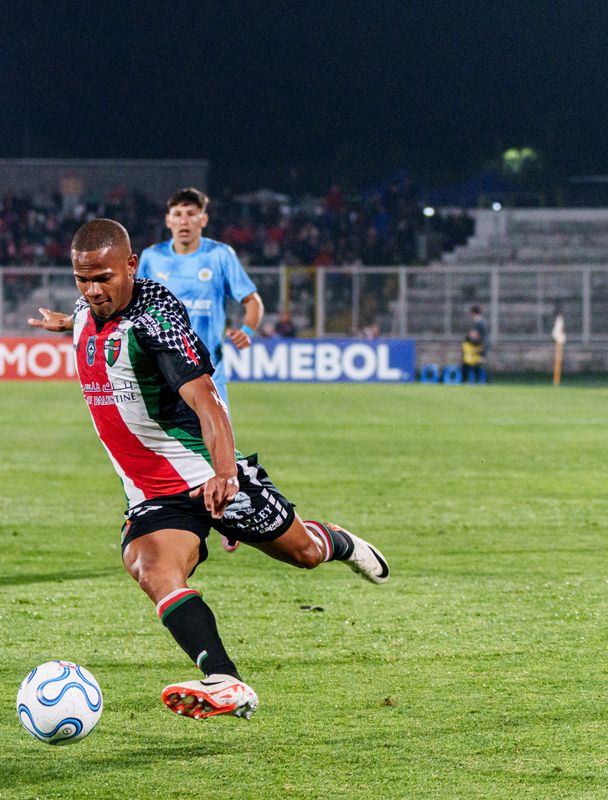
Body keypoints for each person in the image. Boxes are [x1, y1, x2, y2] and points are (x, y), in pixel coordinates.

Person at [28, 219, 389, 721]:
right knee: (152, 568)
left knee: (304, 554)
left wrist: (224, 475)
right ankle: (226, 679)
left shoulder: (154, 318)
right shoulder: (89, 309)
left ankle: (340, 542)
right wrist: (65, 323)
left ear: (131, 266)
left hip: (206, 475)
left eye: (103, 279)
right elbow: (89, 316)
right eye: (81, 280)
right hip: (152, 493)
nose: (92, 291)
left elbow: (207, 399)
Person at [136, 188, 263, 410]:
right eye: (177, 214)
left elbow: (253, 301)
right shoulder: (152, 257)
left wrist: (248, 331)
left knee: (216, 444)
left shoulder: (219, 255)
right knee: (160, 445)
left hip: (209, 374)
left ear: (203, 219)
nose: (184, 220)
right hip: (163, 374)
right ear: (168, 220)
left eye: (191, 213)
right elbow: (135, 308)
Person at [461, 304, 488, 384]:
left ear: (473, 313)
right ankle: (480, 381)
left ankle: (482, 381)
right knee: (476, 365)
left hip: (477, 347)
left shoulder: (479, 323)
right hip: (479, 346)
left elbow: (476, 335)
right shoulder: (482, 322)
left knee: (475, 364)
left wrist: (469, 338)